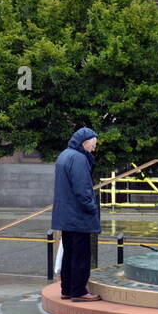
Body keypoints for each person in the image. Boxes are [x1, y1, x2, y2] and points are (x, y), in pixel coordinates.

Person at [52, 126, 102, 302]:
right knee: (81, 254)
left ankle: (67, 288)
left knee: (69, 252)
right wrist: (91, 208)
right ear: (84, 143)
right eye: (93, 145)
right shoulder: (79, 158)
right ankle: (79, 290)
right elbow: (83, 189)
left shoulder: (64, 155)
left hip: (65, 214)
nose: (94, 149)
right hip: (78, 215)